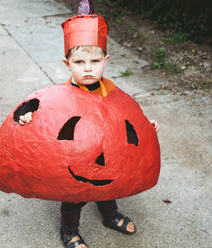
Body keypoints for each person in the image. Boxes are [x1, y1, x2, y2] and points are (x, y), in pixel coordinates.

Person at [18, 14, 159, 248]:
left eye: (95, 62)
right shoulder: (60, 96)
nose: (88, 69)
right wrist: (28, 114)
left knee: (108, 185)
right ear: (67, 64)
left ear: (106, 61)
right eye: (79, 63)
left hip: (107, 152)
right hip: (76, 157)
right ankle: (69, 231)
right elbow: (38, 107)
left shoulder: (113, 92)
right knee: (75, 195)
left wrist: (145, 126)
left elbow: (127, 117)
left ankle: (111, 216)